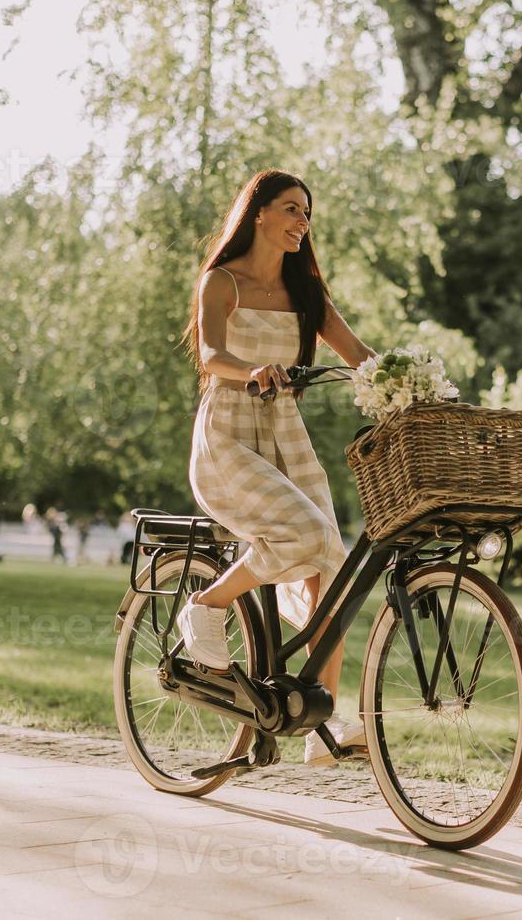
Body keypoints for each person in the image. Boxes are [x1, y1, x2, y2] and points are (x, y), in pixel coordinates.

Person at [176, 169, 379, 766]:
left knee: (331, 566)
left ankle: (326, 724)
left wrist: (405, 386)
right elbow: (212, 353)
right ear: (258, 212)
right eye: (291, 209)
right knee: (309, 534)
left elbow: (359, 355)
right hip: (228, 438)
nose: (301, 222)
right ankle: (207, 605)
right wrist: (253, 369)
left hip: (285, 438)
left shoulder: (306, 291)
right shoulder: (223, 282)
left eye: (306, 214)